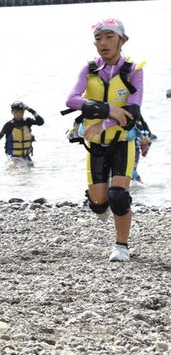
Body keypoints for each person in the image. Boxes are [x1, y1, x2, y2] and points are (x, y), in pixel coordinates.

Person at [64, 18, 143, 263]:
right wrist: (109, 109)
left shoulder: (134, 70)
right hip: (95, 143)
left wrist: (104, 123)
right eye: (98, 38)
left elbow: (132, 112)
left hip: (122, 142)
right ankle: (101, 204)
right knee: (99, 203)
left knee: (118, 196)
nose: (103, 43)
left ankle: (121, 246)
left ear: (122, 40)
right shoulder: (88, 70)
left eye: (109, 37)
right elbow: (72, 100)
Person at [0, 102, 44, 166]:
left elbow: (41, 122)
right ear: (12, 112)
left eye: (21, 112)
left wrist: (30, 109)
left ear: (24, 112)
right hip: (13, 156)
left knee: (31, 170)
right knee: (14, 166)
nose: (18, 114)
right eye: (16, 112)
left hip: (26, 156)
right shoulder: (9, 125)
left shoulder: (28, 121)